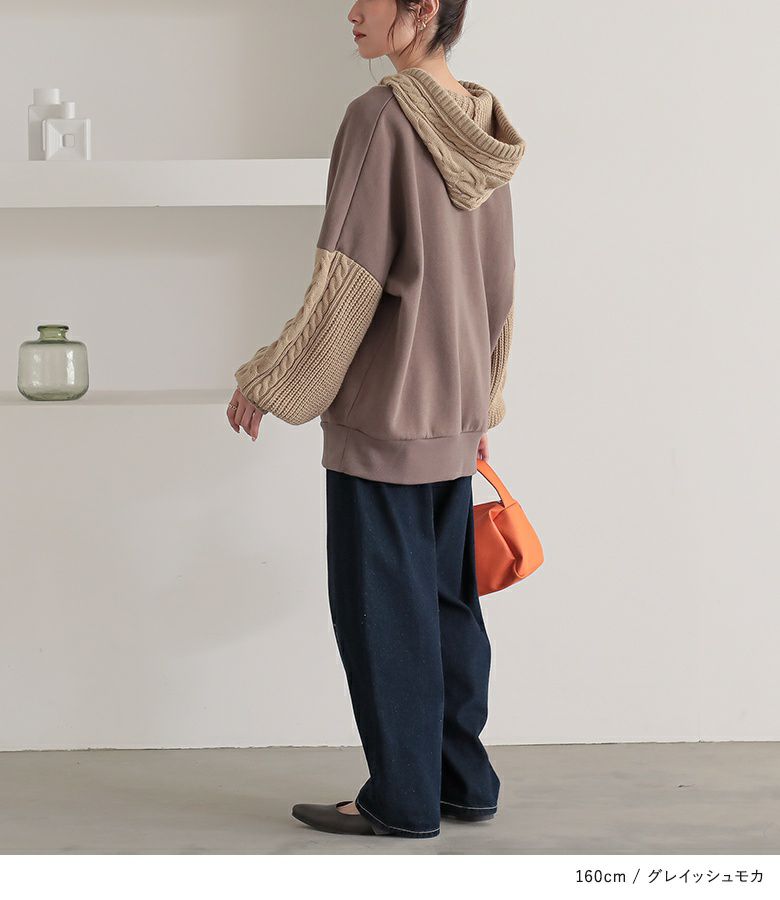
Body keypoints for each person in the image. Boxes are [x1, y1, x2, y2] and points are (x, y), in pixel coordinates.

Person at [226, 0, 524, 839]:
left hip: (386, 415)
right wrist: (482, 398)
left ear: (422, 10)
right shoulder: (482, 124)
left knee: (383, 614)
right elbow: (500, 284)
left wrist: (270, 380)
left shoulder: (380, 117)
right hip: (452, 412)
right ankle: (462, 780)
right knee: (447, 604)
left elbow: (346, 281)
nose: (351, 12)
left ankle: (402, 797)